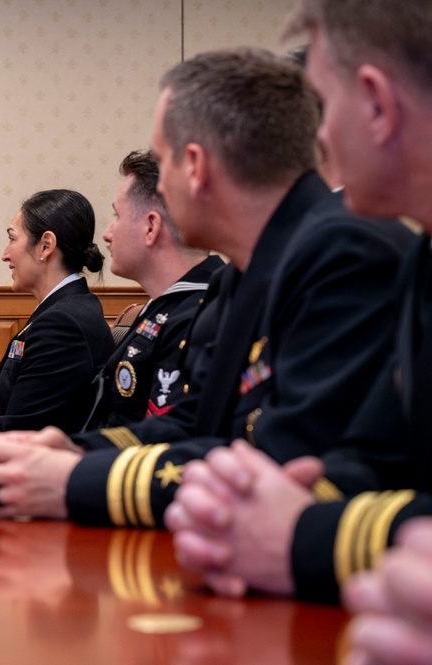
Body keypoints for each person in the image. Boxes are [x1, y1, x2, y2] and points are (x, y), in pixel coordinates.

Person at [0, 48, 412, 528]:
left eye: (163, 160)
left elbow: (277, 466)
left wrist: (75, 481)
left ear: (195, 166)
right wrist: (74, 450)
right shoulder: (243, 273)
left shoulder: (346, 253)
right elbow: (193, 422)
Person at [165, 0, 432, 626]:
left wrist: (298, 535)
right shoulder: (424, 253)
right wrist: (283, 501)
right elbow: (372, 455)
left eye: (323, 106)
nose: (321, 139)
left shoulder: (348, 247)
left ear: (375, 104)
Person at [83, 149, 223, 430]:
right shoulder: (167, 304)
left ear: (150, 227)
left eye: (116, 216)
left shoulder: (201, 312)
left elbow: (165, 437)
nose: (107, 234)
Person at [0, 189, 114, 434]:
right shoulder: (62, 310)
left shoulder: (63, 324)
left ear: (46, 246)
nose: (5, 255)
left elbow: (22, 431)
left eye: (13, 239)